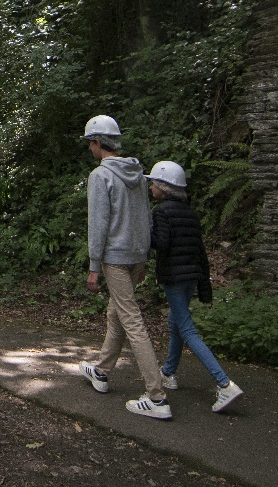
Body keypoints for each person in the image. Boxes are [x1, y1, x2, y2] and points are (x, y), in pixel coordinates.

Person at [76, 115, 171, 420]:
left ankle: (156, 397)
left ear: (96, 142)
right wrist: (142, 258)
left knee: (132, 321)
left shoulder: (100, 176)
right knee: (115, 312)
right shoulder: (138, 174)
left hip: (115, 257)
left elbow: (98, 224)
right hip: (134, 256)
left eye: (89, 143)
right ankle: (102, 372)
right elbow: (146, 218)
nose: (89, 148)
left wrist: (93, 266)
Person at [147, 160, 243, 413]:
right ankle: (168, 372)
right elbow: (199, 251)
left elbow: (162, 243)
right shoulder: (189, 212)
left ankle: (225, 384)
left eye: (153, 183)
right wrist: (203, 284)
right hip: (191, 276)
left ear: (163, 187)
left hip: (175, 277)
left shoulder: (161, 211)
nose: (150, 187)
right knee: (175, 323)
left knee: (187, 329)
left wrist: (146, 232)